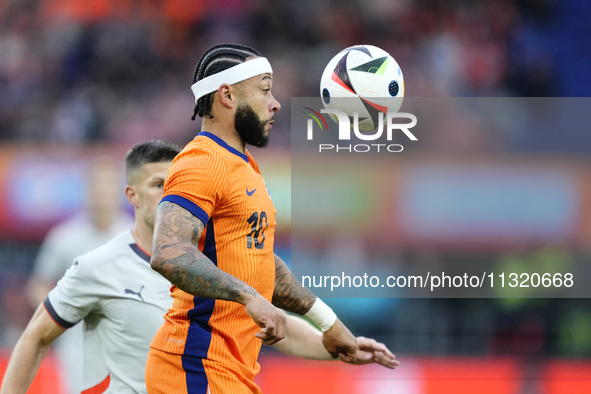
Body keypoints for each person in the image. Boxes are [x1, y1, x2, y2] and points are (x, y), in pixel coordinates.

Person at [1, 140, 398, 394]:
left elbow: (275, 327)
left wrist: (337, 347)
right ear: (132, 195)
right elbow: (36, 337)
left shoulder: (214, 264)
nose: (173, 194)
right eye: (160, 185)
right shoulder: (98, 265)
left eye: (179, 184)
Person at [146, 44, 367, 394]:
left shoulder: (245, 167)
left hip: (228, 374)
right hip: (193, 368)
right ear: (228, 96)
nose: (275, 102)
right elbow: (168, 251)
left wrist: (328, 324)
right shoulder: (202, 161)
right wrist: (248, 296)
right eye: (265, 89)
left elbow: (263, 266)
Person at [25, 156, 134, 394]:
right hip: (77, 342)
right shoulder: (64, 238)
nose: (102, 192)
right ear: (87, 190)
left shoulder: (133, 237)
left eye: (107, 185)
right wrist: (59, 316)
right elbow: (38, 285)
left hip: (124, 339)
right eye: (96, 185)